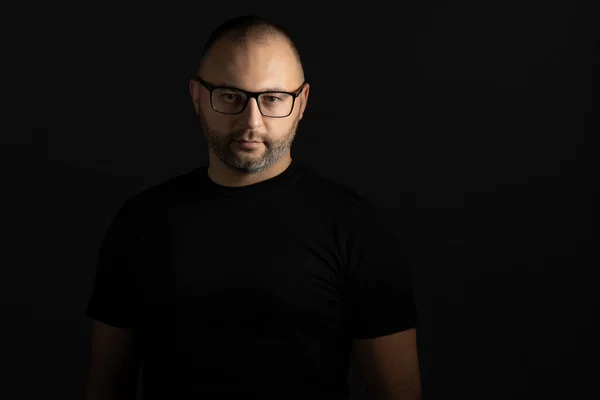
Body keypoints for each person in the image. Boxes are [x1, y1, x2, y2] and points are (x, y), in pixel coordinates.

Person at [84, 14, 421, 400]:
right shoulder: (141, 223)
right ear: (197, 95)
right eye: (231, 96)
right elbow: (106, 386)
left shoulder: (356, 229)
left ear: (301, 102)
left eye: (273, 98)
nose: (252, 121)